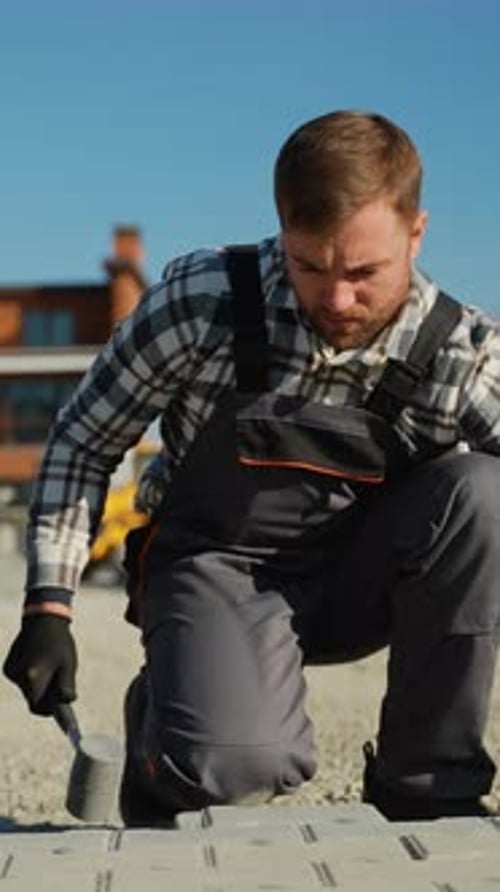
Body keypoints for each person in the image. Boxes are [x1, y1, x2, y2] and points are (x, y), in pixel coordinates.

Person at [4, 110, 500, 826]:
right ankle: (163, 732)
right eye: (309, 266)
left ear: (416, 233)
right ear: (281, 229)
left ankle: (424, 785)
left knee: (481, 493)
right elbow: (84, 438)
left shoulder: (461, 351)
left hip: (363, 581)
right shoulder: (202, 302)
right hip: (219, 572)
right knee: (235, 766)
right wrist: (47, 608)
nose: (336, 300)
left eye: (365, 273)